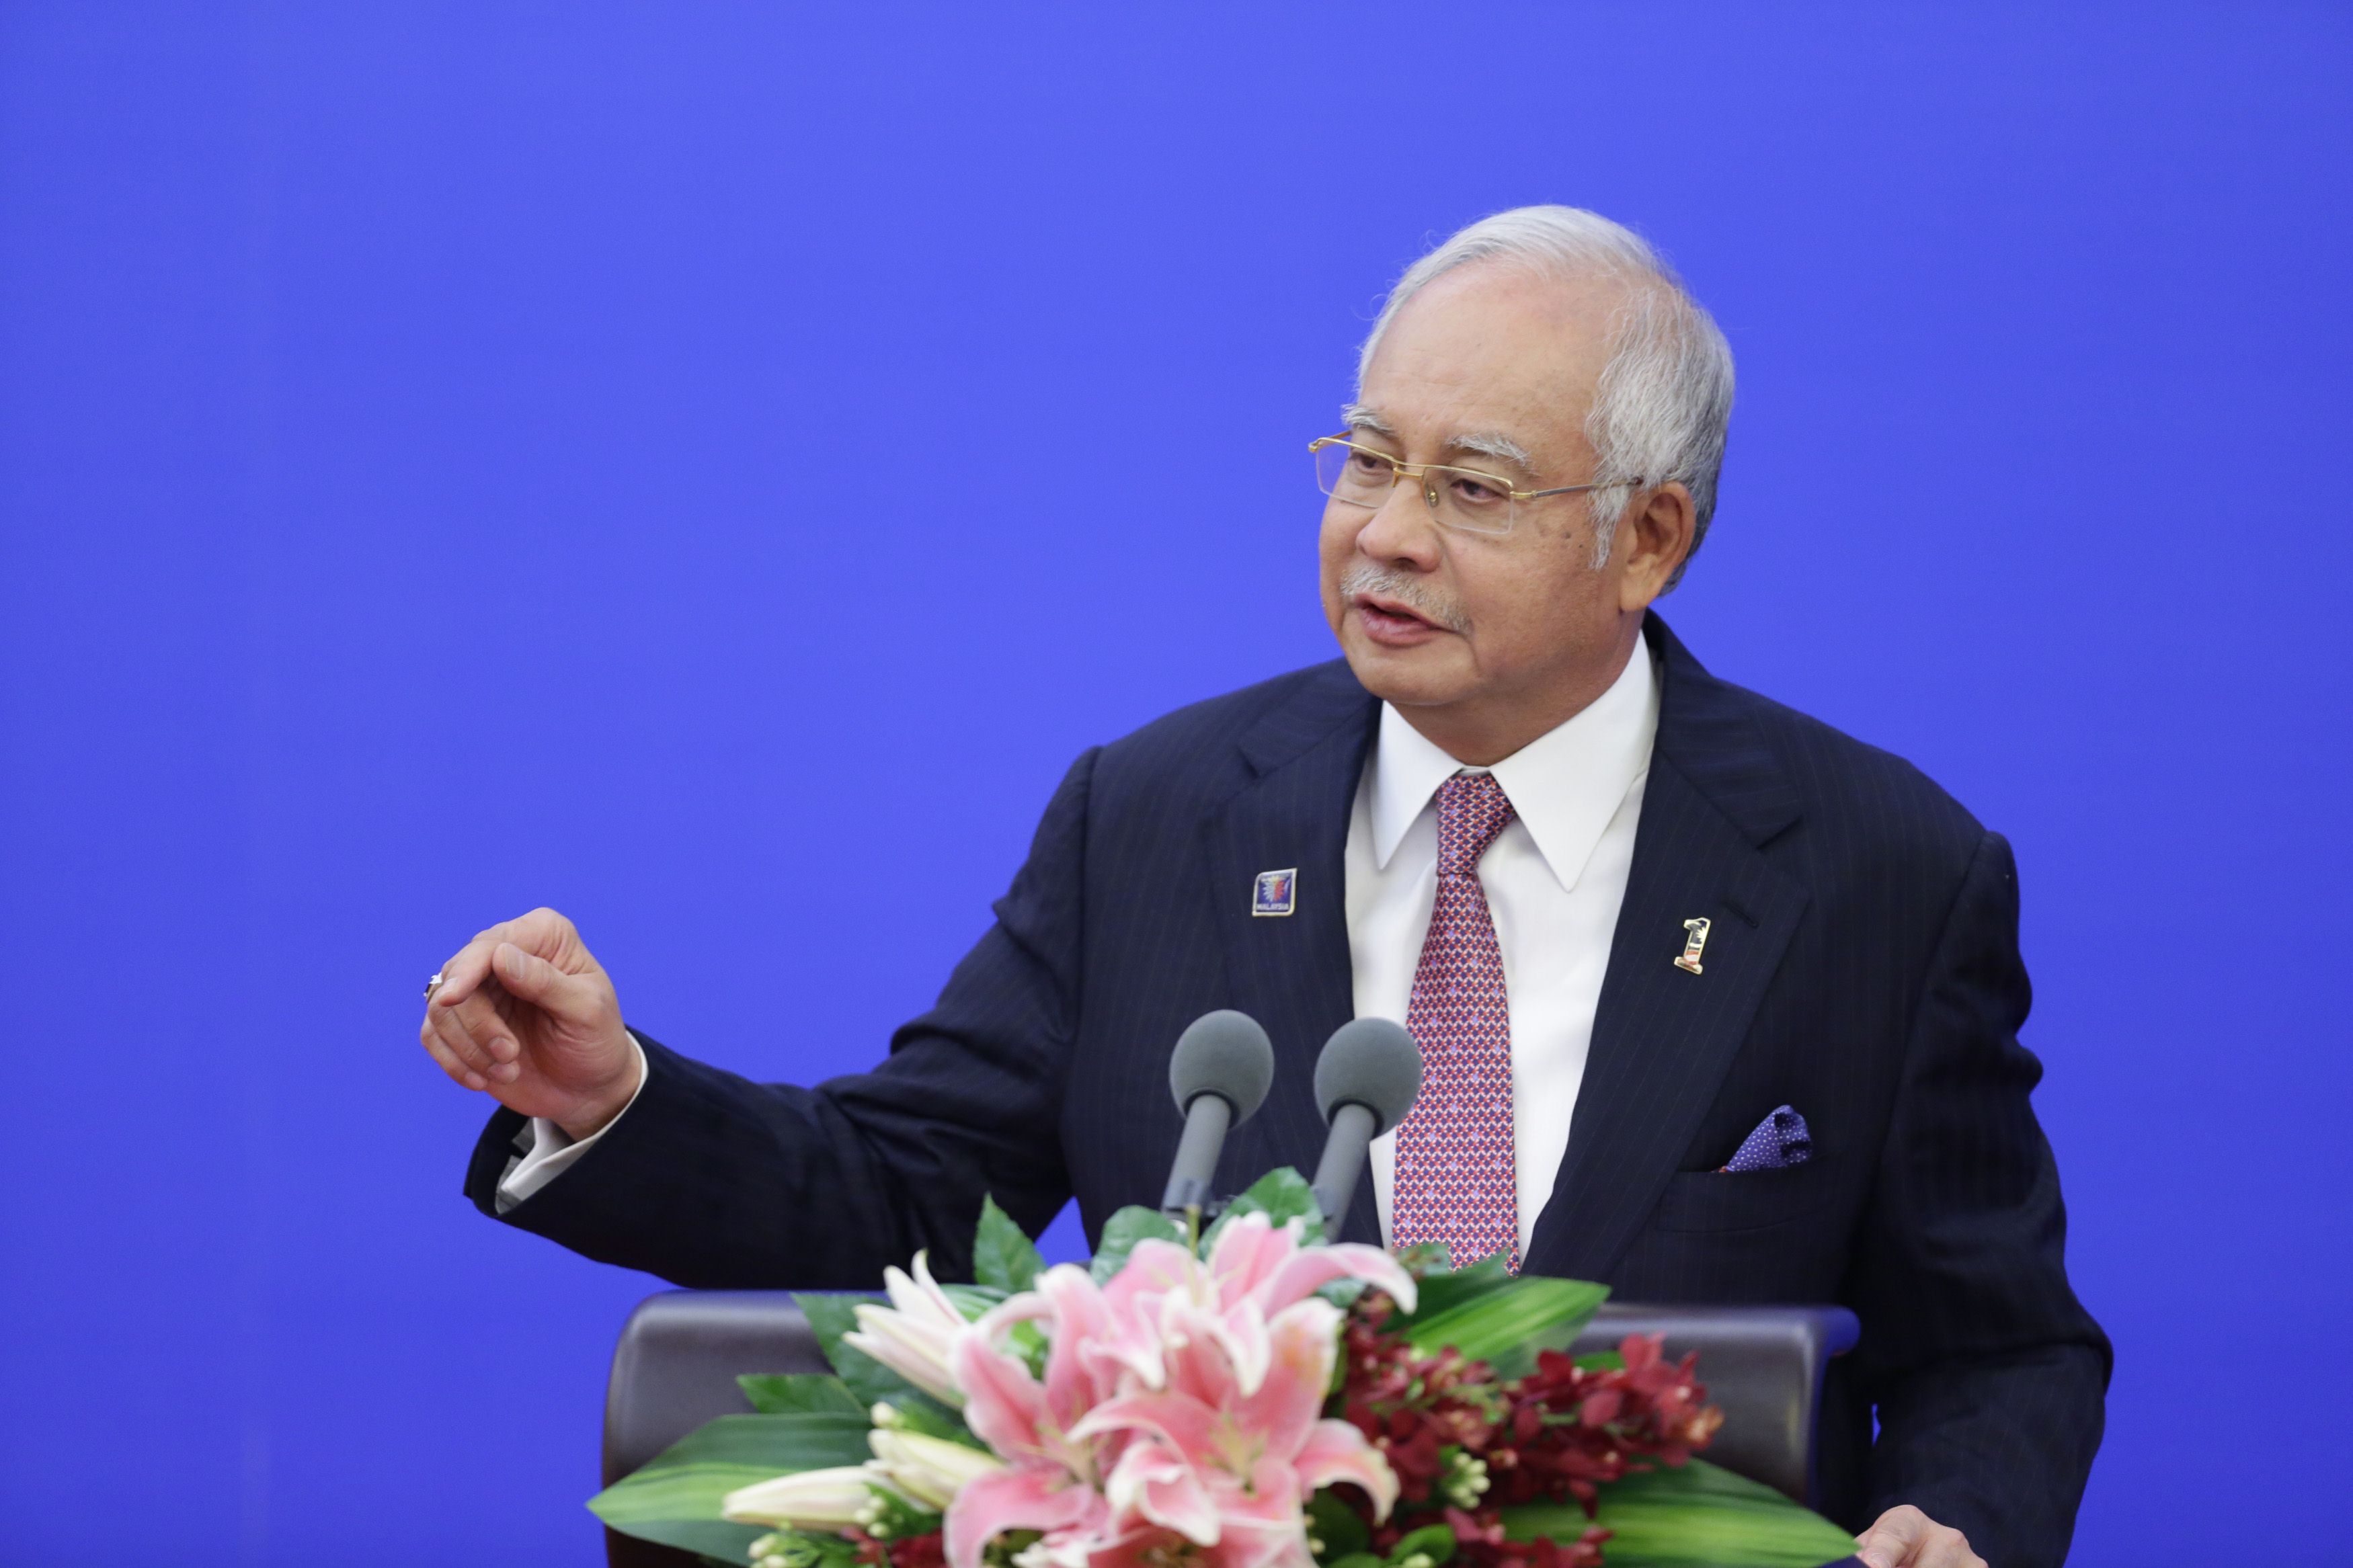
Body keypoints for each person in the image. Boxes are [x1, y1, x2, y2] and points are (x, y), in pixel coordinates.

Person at [420, 207, 2106, 1568]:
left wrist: (1954, 1522)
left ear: (1648, 539)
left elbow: (1994, 1344)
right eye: (1367, 460)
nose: (1386, 534)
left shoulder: (1876, 869)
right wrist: (611, 1097)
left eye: (1471, 488)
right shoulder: (1156, 814)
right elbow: (905, 1190)